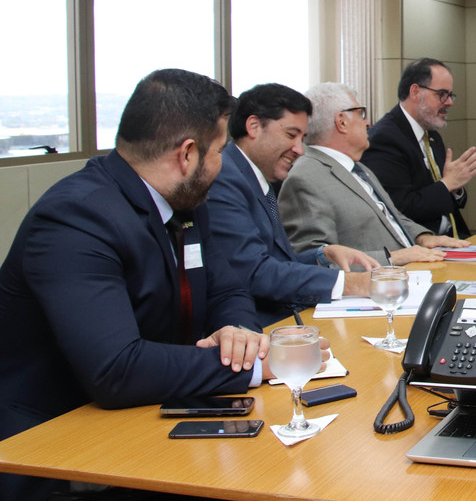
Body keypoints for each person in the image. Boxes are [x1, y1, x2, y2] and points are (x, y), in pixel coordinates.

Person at [0, 69, 319, 500]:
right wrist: (256, 365)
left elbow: (228, 289)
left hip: (154, 415)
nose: (222, 165)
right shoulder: (75, 219)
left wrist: (239, 334)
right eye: (220, 152)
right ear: (187, 154)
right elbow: (116, 369)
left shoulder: (184, 201)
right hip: (57, 452)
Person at [207, 83, 380, 328]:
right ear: (254, 126)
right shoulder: (224, 177)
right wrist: (348, 283)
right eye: (291, 135)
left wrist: (322, 255)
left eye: (302, 138)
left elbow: (276, 260)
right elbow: (253, 272)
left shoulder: (256, 177)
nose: (299, 150)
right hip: (257, 330)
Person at [279, 83, 463, 265]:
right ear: (342, 122)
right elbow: (317, 263)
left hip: (415, 269)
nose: (367, 123)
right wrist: (393, 258)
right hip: (385, 279)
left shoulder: (358, 167)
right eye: (361, 114)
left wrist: (422, 237)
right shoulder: (304, 179)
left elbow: (391, 217)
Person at [361, 58, 476, 238]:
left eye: (450, 95)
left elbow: (444, 195)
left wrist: (456, 187)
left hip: (454, 237)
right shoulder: (384, 139)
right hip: (420, 244)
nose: (449, 102)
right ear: (415, 92)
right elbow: (401, 209)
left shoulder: (431, 134)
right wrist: (447, 184)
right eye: (442, 94)